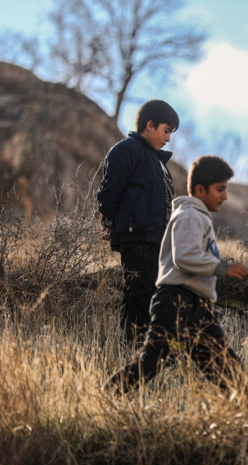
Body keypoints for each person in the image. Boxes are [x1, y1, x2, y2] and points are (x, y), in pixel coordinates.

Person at [106, 156, 248, 393]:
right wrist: (223, 269)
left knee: (229, 371)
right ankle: (106, 396)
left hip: (198, 306)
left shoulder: (199, 217)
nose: (225, 196)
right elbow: (184, 256)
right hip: (176, 302)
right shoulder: (190, 215)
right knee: (151, 362)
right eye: (220, 189)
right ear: (200, 190)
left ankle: (243, 421)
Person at [97, 99, 180, 341]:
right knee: (139, 294)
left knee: (156, 295)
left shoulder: (157, 162)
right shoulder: (126, 149)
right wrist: (108, 222)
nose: (168, 138)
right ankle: (132, 348)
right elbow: (109, 190)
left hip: (157, 240)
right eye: (166, 131)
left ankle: (151, 348)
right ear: (150, 125)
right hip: (136, 236)